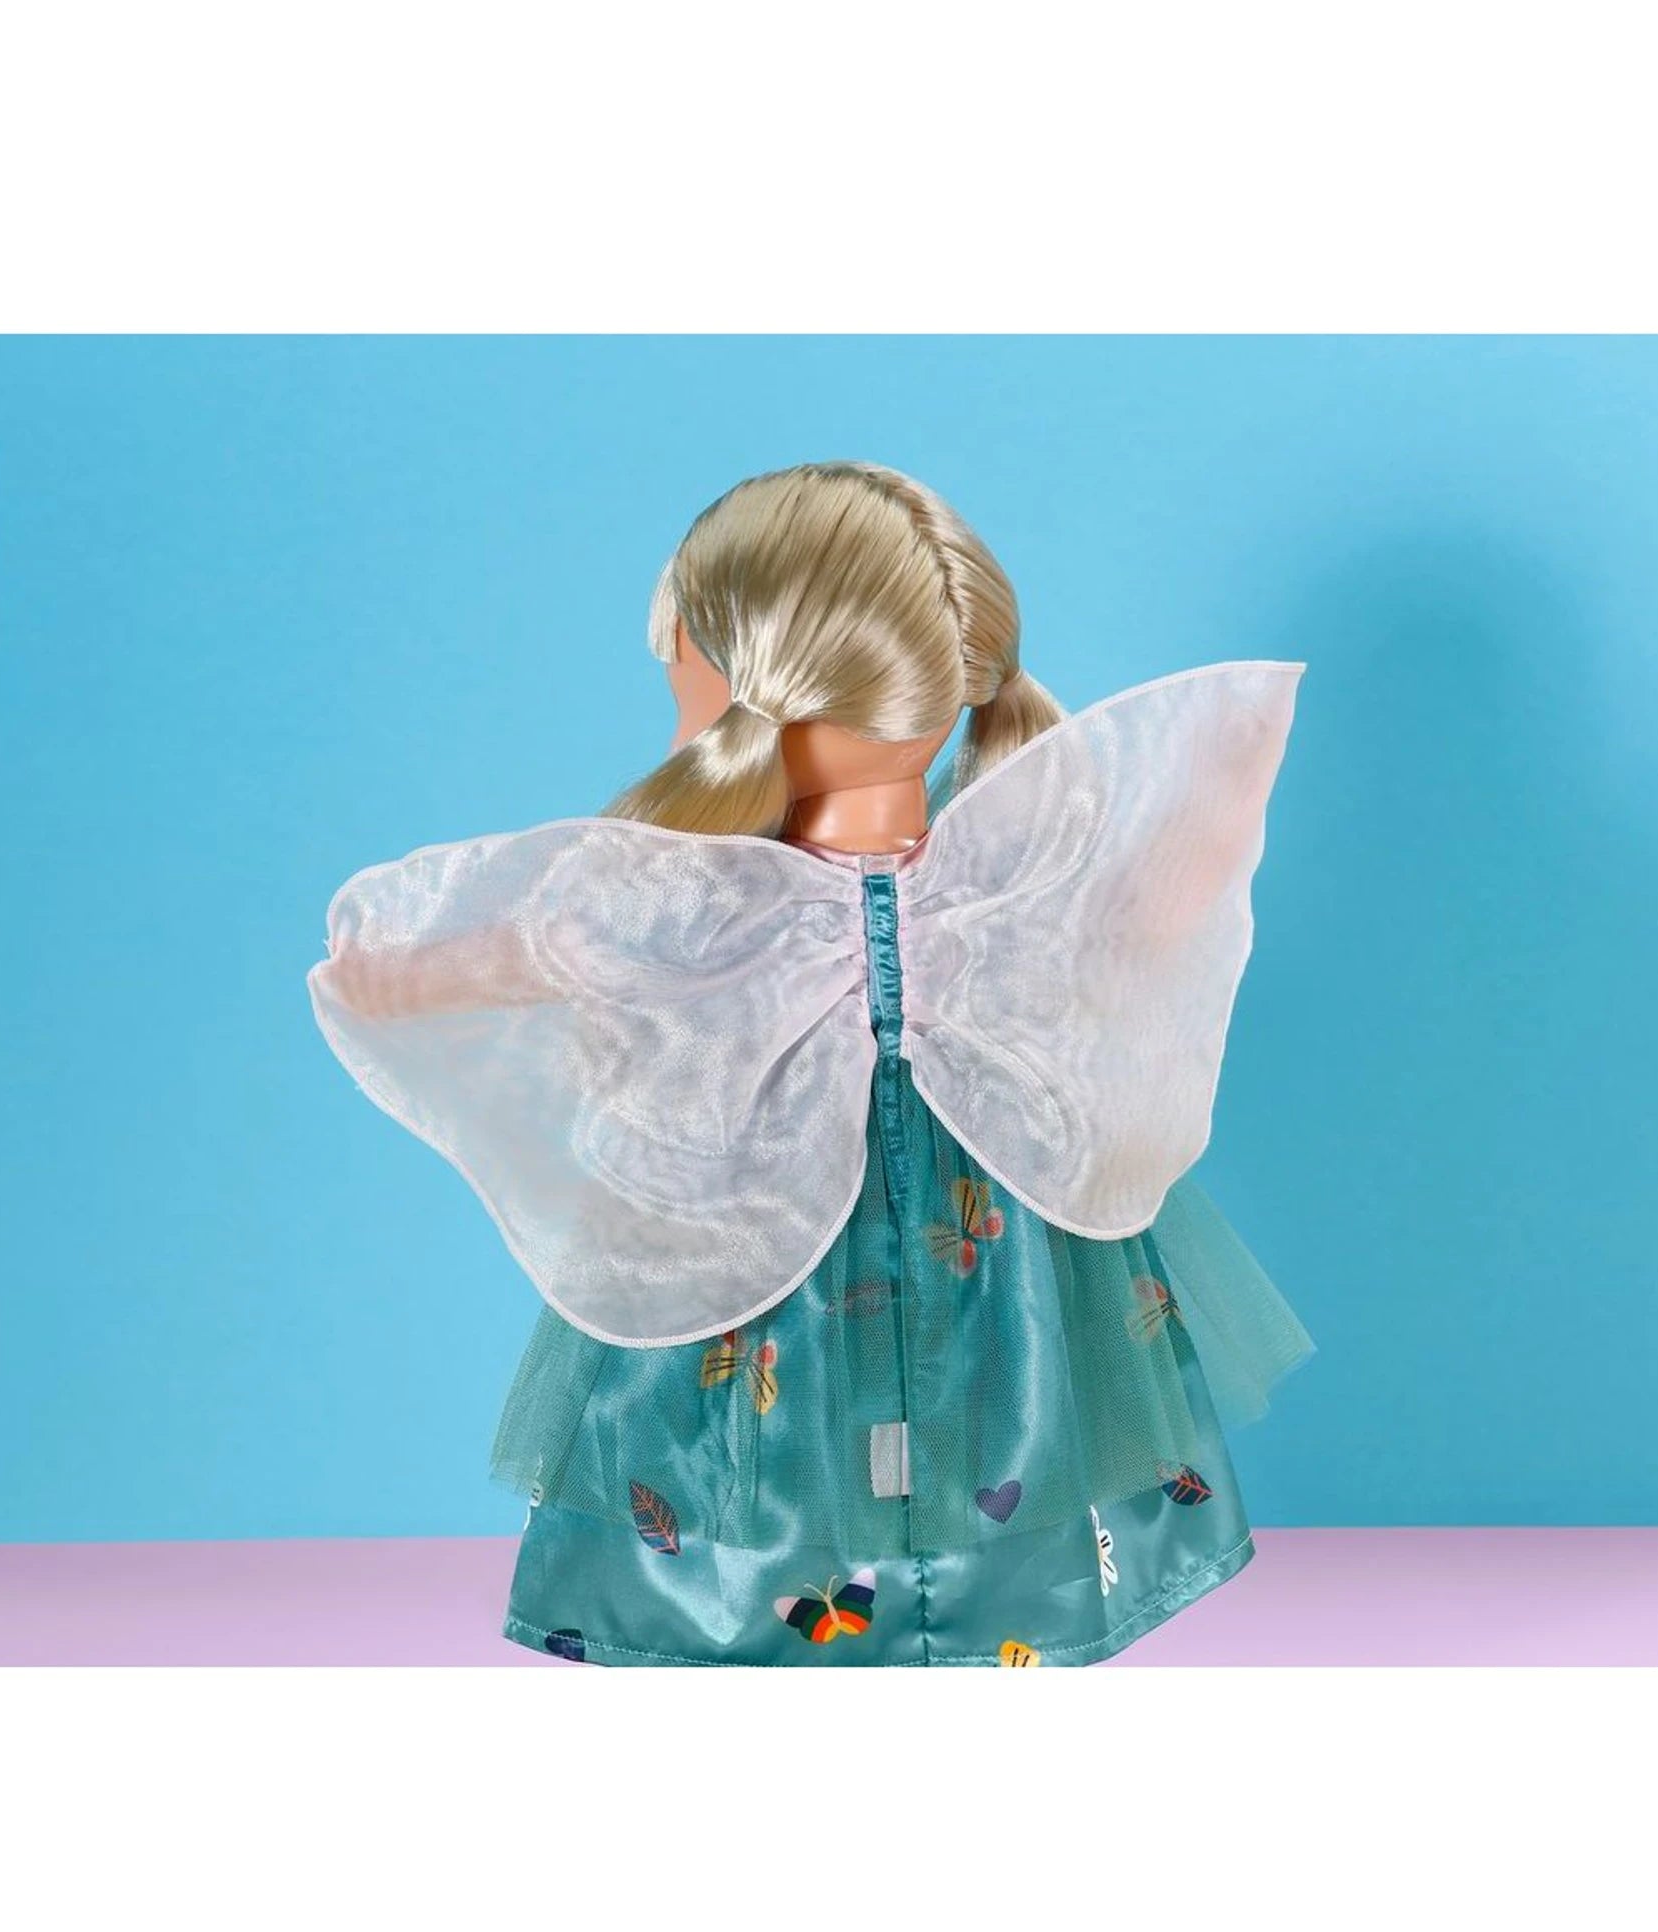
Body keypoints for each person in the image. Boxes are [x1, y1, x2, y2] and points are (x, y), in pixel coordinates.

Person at [308, 460, 1313, 1666]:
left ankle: (786, 1617)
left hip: (763, 1235)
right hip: (984, 1243)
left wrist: (394, 972)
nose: (671, 675)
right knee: (994, 1389)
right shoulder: (1004, 890)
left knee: (756, 1408)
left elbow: (515, 952)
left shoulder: (700, 904)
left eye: (682, 656)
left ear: (755, 683)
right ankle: (974, 1611)